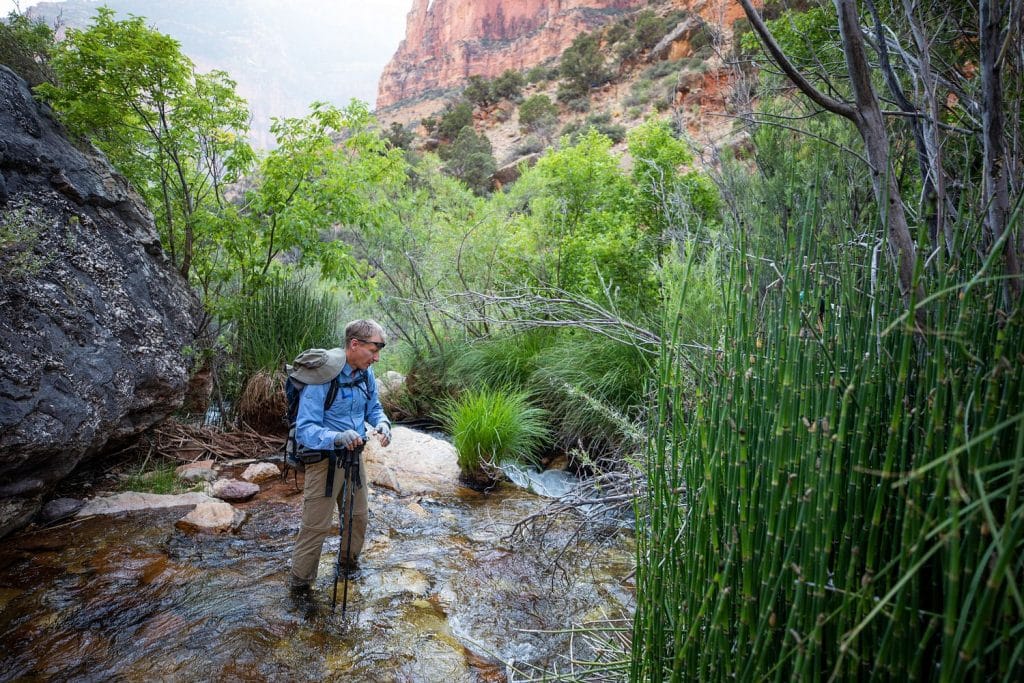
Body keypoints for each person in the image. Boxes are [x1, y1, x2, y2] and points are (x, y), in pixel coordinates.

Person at [288, 319, 391, 591]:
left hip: (354, 458)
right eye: (374, 349)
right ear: (354, 345)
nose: (377, 357)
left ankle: (347, 570)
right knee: (316, 527)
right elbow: (305, 429)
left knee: (358, 518)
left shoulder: (365, 374)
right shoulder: (323, 377)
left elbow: (374, 409)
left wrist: (383, 424)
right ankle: (300, 588)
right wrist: (336, 437)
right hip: (324, 462)